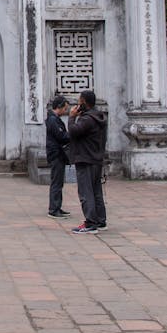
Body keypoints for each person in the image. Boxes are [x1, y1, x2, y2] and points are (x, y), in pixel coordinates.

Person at [67, 90, 107, 233]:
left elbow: (73, 131)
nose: (78, 104)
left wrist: (71, 118)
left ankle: (90, 222)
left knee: (86, 192)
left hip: (85, 158)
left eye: (79, 101)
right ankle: (101, 220)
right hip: (96, 158)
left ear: (84, 102)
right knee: (96, 191)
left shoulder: (87, 119)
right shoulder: (99, 117)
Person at [45, 95, 72, 218]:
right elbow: (62, 136)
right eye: (64, 109)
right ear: (59, 107)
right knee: (56, 182)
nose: (65, 111)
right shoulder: (52, 120)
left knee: (59, 182)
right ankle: (54, 208)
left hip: (58, 154)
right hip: (56, 154)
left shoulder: (54, 119)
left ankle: (57, 206)